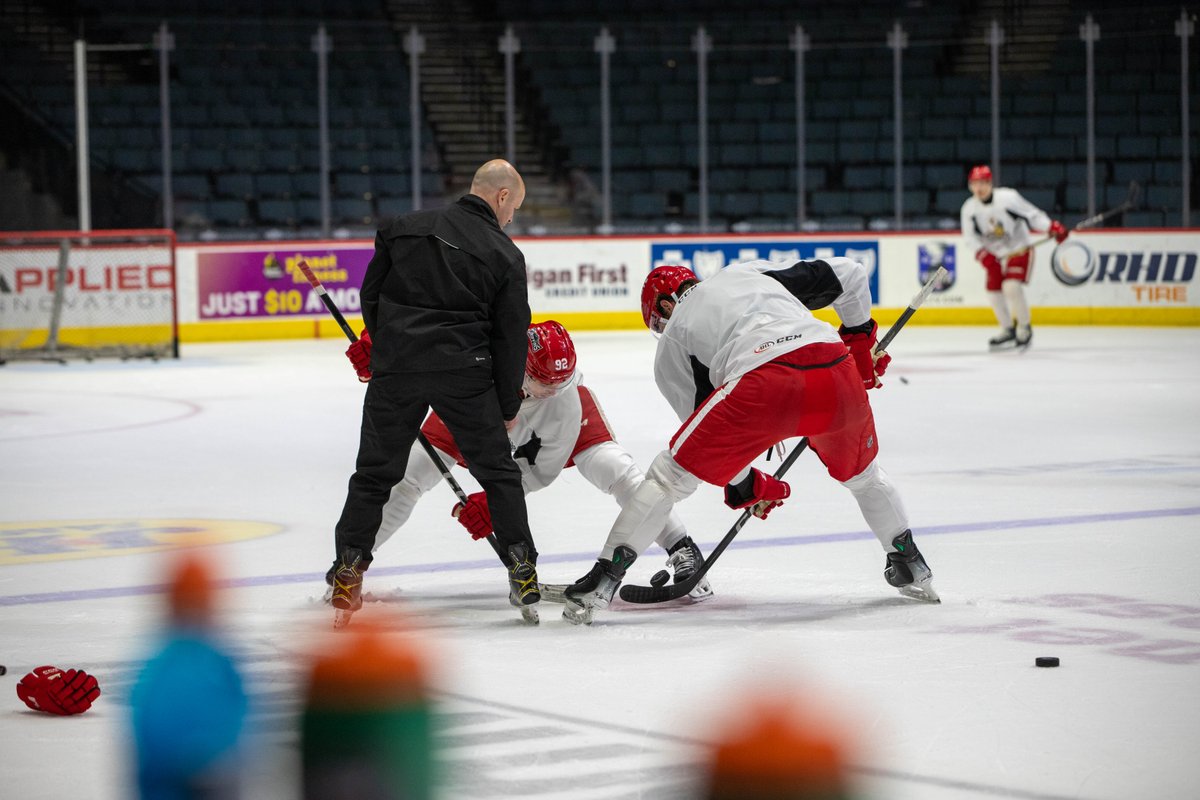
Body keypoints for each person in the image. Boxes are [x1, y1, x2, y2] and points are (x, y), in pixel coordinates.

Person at [561, 257, 939, 624]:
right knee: (864, 476)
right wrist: (858, 348)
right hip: (834, 370)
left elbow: (708, 439)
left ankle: (604, 579)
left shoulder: (672, 343)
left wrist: (748, 486)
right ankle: (909, 562)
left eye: (659, 322)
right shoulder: (750, 272)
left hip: (762, 383)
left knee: (669, 477)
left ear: (666, 304)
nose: (663, 329)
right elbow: (852, 275)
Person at [326, 320, 714, 624]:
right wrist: (388, 357)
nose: (551, 390)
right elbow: (434, 344)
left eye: (560, 382)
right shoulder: (481, 359)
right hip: (475, 406)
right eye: (544, 383)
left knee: (619, 471)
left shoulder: (563, 400)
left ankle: (682, 548)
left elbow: (541, 472)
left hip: (549, 433)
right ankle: (353, 565)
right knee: (409, 477)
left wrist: (495, 504)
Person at [331, 159, 533, 628]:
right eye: (515, 209)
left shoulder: (402, 228)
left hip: (397, 367)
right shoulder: (505, 254)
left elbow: (371, 294)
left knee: (374, 474)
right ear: (502, 196)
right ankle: (522, 566)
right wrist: (506, 404)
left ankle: (348, 568)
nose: (511, 219)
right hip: (465, 371)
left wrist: (388, 348)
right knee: (498, 473)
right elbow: (510, 336)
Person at [960, 164, 1069, 350]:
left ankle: (1024, 327)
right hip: (995, 255)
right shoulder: (969, 209)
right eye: (975, 184)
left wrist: (1051, 226)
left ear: (991, 183)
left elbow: (1032, 214)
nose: (979, 188)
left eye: (983, 183)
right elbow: (969, 238)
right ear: (970, 185)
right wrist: (983, 255)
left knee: (1011, 287)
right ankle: (1007, 329)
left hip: (1019, 247)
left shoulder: (1008, 198)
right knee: (993, 292)